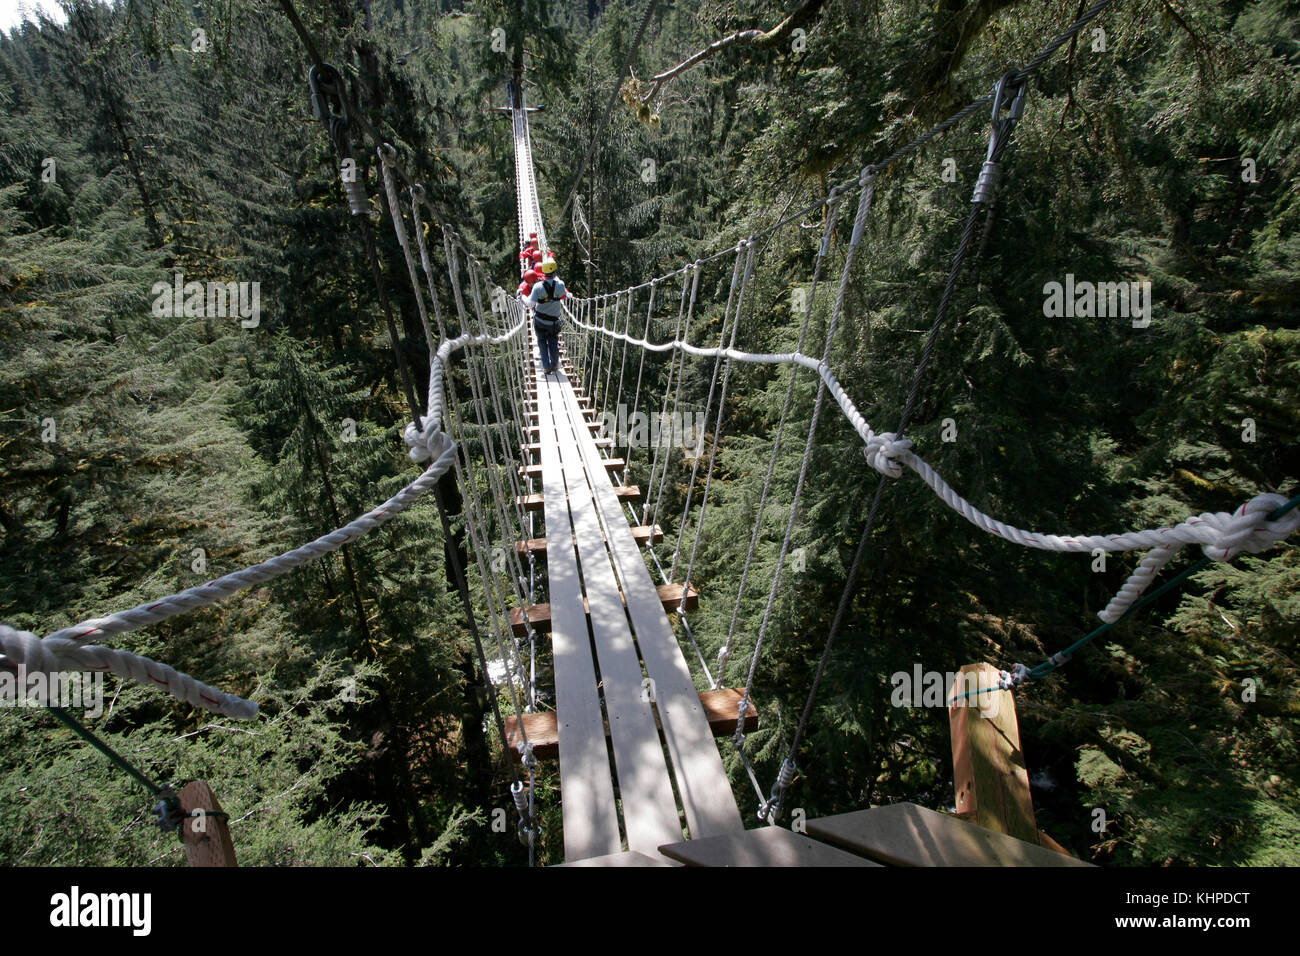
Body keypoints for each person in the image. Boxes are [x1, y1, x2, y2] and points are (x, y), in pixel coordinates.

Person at [525, 264, 567, 375]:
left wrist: (522, 297)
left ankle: (546, 366)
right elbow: (564, 295)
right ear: (555, 272)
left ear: (543, 272)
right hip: (553, 322)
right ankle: (554, 364)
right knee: (553, 342)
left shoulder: (537, 286)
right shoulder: (561, 285)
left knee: (542, 343)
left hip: (540, 321)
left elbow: (530, 304)